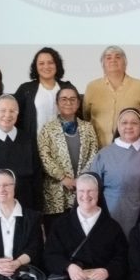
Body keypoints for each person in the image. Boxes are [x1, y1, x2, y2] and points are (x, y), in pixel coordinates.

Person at [37, 85, 99, 223]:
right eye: (64, 99)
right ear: (57, 103)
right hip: (56, 191)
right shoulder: (48, 128)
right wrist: (63, 178)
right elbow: (44, 156)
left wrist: (80, 180)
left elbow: (93, 154)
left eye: (72, 99)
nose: (68, 102)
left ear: (78, 103)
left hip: (82, 191)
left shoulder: (88, 127)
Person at [88, 108, 140, 235]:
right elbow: (92, 188)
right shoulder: (104, 154)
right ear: (118, 126)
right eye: (124, 123)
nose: (129, 126)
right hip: (111, 214)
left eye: (134, 123)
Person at [82, 45, 140, 146]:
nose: (113, 60)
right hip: (98, 148)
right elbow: (86, 116)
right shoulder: (92, 87)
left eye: (118, 57)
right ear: (103, 65)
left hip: (130, 148)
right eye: (108, 57)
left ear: (125, 63)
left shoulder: (139, 86)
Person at [12, 47, 72, 139]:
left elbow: (78, 117)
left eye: (50, 62)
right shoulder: (26, 89)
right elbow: (14, 115)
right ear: (36, 67)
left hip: (63, 146)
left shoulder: (67, 88)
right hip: (34, 147)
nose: (46, 66)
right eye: (41, 63)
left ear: (57, 64)